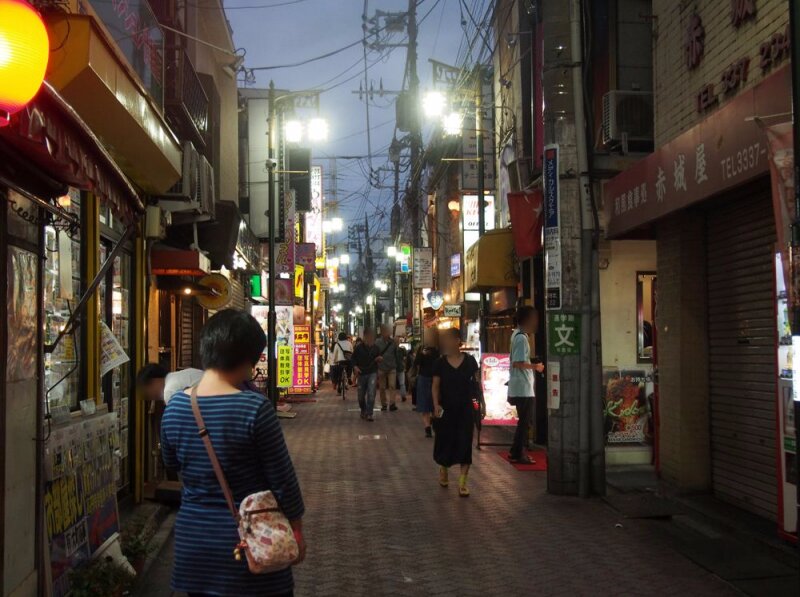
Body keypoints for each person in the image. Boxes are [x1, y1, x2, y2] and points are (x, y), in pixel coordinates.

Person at [160, 309, 305, 596]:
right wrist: (297, 530)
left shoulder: (175, 408)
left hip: (195, 544)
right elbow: (283, 482)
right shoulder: (254, 408)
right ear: (250, 359)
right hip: (250, 542)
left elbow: (172, 464)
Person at [432, 327, 480, 497]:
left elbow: (476, 385)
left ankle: (462, 483)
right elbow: (435, 386)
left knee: (465, 443)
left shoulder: (470, 361)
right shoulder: (440, 363)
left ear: (458, 340)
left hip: (465, 409)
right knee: (445, 440)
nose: (446, 343)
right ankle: (443, 469)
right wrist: (436, 405)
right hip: (446, 410)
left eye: (449, 339)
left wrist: (481, 403)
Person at [508, 305, 545, 464]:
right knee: (525, 422)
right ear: (527, 320)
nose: (536, 322)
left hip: (520, 386)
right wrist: (535, 367)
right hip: (523, 388)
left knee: (524, 421)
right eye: (534, 318)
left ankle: (515, 452)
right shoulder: (522, 338)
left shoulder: (517, 334)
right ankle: (520, 453)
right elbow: (517, 363)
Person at [413, 329, 440, 438]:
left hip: (425, 378)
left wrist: (421, 354)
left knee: (425, 405)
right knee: (434, 403)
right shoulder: (439, 349)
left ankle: (428, 427)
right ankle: (432, 424)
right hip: (435, 379)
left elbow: (416, 364)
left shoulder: (424, 349)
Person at [351, 328, 381, 421]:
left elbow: (379, 359)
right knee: (360, 395)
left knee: (371, 393)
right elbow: (353, 359)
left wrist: (379, 359)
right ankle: (363, 410)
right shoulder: (359, 348)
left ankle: (369, 413)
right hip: (361, 373)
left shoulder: (376, 348)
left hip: (372, 372)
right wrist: (355, 367)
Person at [375, 325, 399, 411]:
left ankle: (392, 404)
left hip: (392, 367)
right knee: (382, 387)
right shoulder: (377, 342)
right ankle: (384, 404)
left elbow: (396, 354)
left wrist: (397, 344)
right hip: (381, 368)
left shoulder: (393, 342)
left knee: (392, 385)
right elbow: (374, 353)